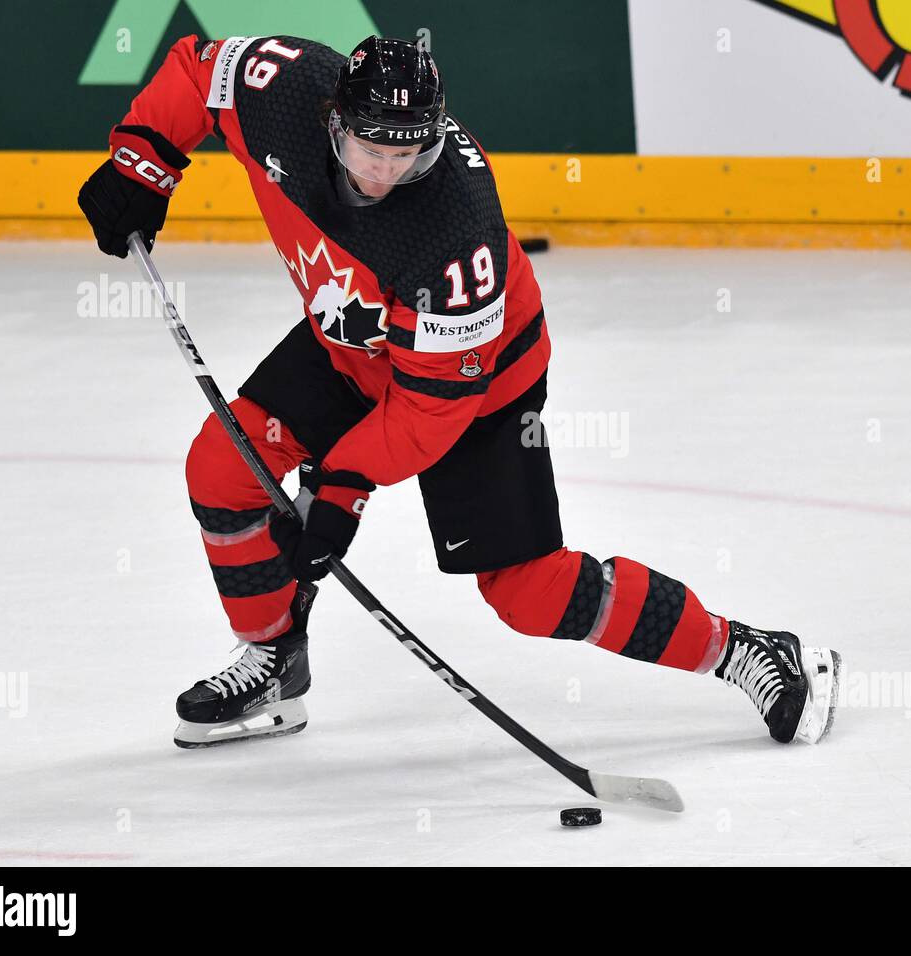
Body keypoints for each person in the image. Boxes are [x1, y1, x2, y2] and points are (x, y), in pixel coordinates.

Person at [77, 34, 841, 749]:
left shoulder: (456, 233)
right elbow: (196, 72)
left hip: (478, 389)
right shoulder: (284, 90)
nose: (382, 173)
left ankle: (742, 649)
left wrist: (341, 486)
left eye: (405, 157)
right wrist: (141, 164)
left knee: (529, 593)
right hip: (353, 343)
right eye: (369, 149)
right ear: (332, 119)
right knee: (220, 471)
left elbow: (428, 409)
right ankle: (275, 662)